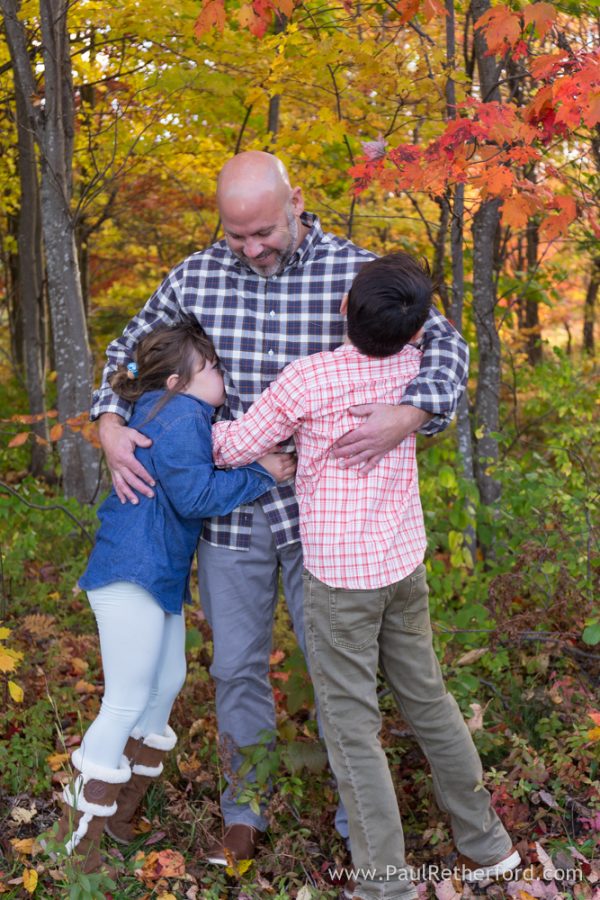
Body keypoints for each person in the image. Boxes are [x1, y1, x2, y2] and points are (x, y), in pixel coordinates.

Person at [90, 150, 470, 863]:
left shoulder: (353, 274)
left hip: (323, 523)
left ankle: (361, 825)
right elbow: (126, 349)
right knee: (234, 668)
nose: (251, 248)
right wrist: (110, 421)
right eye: (237, 236)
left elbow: (446, 343)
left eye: (263, 230)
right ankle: (246, 809)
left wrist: (412, 412)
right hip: (229, 515)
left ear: (296, 201)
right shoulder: (196, 275)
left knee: (338, 677)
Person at [211, 253, 520, 900]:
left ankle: (385, 884)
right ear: (413, 328)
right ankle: (488, 846)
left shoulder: (306, 381)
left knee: (353, 727)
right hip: (402, 567)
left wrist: (201, 427)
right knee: (429, 702)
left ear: (343, 309)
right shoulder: (416, 371)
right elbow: (442, 342)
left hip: (339, 585)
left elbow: (234, 446)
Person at [47, 318, 293, 875]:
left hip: (152, 574)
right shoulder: (182, 416)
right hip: (130, 572)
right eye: (211, 368)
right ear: (180, 381)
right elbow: (195, 495)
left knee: (168, 682)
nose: (221, 374)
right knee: (127, 698)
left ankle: (116, 814)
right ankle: (74, 845)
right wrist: (263, 473)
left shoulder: (177, 410)